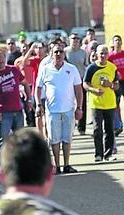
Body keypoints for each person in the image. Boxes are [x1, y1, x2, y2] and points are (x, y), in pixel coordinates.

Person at [35, 41, 83, 174]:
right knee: (54, 139)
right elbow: (38, 88)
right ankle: (57, 165)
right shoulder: (45, 69)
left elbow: (78, 89)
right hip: (52, 110)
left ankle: (67, 164)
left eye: (60, 52)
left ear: (64, 54)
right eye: (55, 52)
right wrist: (38, 105)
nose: (58, 54)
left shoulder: (71, 69)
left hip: (68, 109)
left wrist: (79, 107)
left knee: (67, 138)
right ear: (51, 54)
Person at [0, 45, 32, 156]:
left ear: (5, 58)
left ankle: (19, 162)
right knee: (2, 140)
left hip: (18, 111)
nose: (0, 60)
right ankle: (3, 164)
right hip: (3, 113)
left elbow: (25, 83)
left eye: (2, 57)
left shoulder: (13, 70)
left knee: (20, 139)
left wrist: (29, 100)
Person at [84, 45, 120, 162]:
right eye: (101, 53)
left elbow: (116, 85)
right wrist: (94, 90)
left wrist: (109, 85)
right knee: (97, 129)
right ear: (96, 54)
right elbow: (85, 84)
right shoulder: (91, 68)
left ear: (108, 54)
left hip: (109, 103)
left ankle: (108, 154)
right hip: (96, 103)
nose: (103, 56)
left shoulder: (112, 67)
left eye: (105, 53)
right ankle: (98, 154)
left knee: (109, 130)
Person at [65, 32, 90, 135]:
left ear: (79, 41)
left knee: (81, 103)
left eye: (77, 39)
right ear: (69, 40)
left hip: (80, 80)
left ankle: (81, 127)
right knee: (69, 103)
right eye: (73, 39)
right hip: (68, 81)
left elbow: (86, 66)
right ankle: (70, 126)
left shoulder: (83, 52)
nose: (75, 41)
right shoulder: (65, 51)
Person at [108, 35, 124, 131]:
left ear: (121, 42)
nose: (117, 42)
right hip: (116, 81)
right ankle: (119, 122)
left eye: (119, 40)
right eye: (115, 40)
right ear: (113, 43)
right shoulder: (110, 56)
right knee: (116, 102)